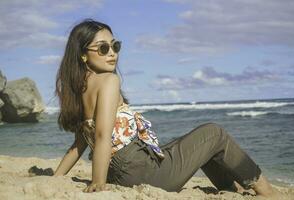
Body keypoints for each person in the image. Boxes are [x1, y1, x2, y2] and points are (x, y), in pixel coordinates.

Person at [53, 18, 281, 199]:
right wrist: (98, 184)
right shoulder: (109, 81)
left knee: (199, 145)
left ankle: (233, 190)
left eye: (115, 45)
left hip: (123, 171)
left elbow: (80, 143)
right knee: (214, 133)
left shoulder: (80, 89)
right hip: (140, 171)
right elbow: (102, 136)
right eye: (103, 48)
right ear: (83, 54)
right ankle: (268, 192)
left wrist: (56, 177)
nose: (112, 53)